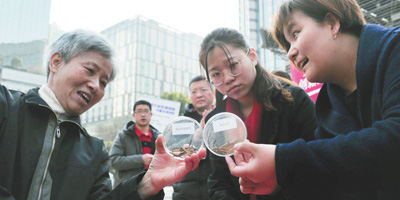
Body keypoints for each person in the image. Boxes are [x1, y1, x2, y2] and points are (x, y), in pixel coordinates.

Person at [0, 29, 205, 200]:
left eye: (103, 82)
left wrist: (146, 183)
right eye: (90, 70)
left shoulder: (94, 149)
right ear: (56, 62)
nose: (95, 86)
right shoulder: (6, 107)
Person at [226, 0, 400, 199]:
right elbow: (332, 176)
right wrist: (277, 181)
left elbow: (394, 141)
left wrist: (281, 161)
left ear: (332, 23)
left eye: (296, 33)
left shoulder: (395, 49)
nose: (290, 52)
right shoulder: (328, 108)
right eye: (287, 45)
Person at [199, 27, 317, 200]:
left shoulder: (293, 100)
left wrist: (277, 184)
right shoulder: (215, 121)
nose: (228, 78)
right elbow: (218, 180)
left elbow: (316, 160)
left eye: (233, 65)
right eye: (216, 74)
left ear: (252, 57)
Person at [172, 75, 215, 200]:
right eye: (194, 92)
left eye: (203, 90)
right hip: (184, 192)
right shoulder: (179, 123)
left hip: (216, 190)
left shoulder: (223, 118)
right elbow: (174, 152)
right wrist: (196, 137)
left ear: (213, 92)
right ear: (190, 96)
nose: (199, 95)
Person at [109, 100, 161, 188]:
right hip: (127, 188)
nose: (143, 114)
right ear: (134, 115)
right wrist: (141, 159)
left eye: (146, 111)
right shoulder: (123, 136)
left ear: (151, 115)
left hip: (152, 188)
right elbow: (114, 161)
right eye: (139, 111)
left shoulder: (159, 137)